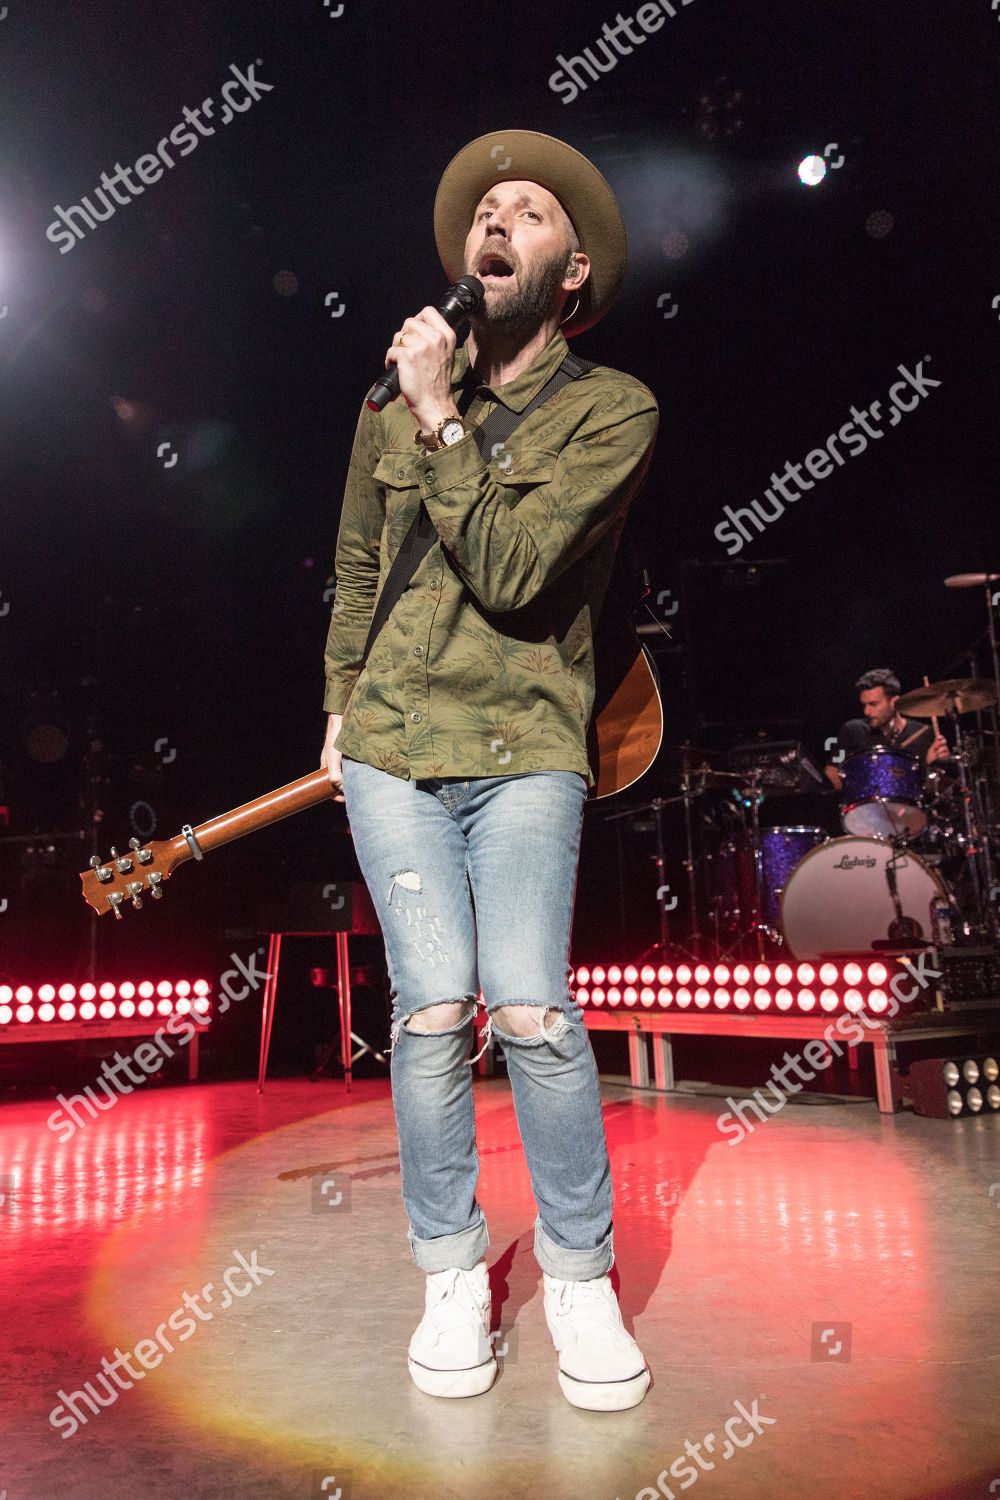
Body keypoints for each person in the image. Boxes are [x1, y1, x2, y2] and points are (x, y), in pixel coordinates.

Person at [319, 129, 658, 1411]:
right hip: (395, 749)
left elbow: (516, 573)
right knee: (425, 1011)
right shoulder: (384, 407)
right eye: (485, 209)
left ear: (568, 271)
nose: (497, 219)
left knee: (525, 1006)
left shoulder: (608, 409)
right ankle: (452, 1272)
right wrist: (337, 709)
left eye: (529, 210)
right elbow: (359, 569)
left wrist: (443, 415)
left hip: (523, 749)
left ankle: (577, 1275)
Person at [824, 667, 949, 790]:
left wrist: (934, 766)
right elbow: (832, 770)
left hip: (911, 807)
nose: (866, 711)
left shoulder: (924, 733)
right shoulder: (853, 730)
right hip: (865, 806)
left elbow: (935, 790)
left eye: (873, 704)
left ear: (894, 702)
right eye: (864, 705)